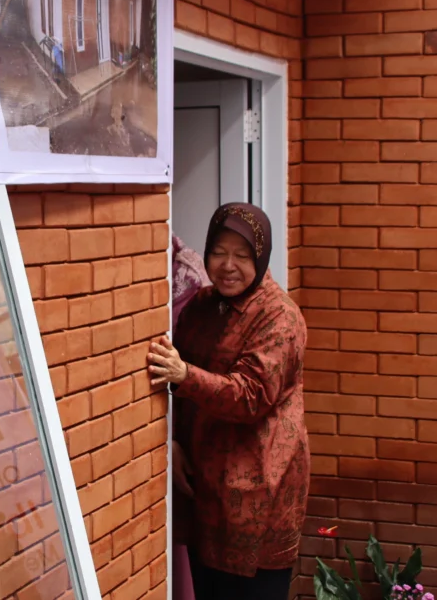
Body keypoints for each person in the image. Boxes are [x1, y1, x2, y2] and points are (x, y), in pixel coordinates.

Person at [147, 203, 310, 600]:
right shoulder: (201, 308)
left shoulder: (279, 317)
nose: (228, 265)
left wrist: (186, 375)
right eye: (219, 252)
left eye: (242, 255)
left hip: (260, 491)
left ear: (261, 257)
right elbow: (171, 387)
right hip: (204, 486)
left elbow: (251, 396)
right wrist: (174, 441)